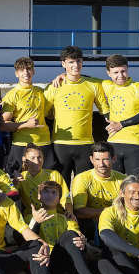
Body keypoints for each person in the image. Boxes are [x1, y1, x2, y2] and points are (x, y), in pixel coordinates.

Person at [29, 180, 119, 274]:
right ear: (39, 196)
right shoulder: (30, 217)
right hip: (46, 266)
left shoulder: (66, 218)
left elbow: (76, 237)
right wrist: (36, 222)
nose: (50, 195)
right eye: (45, 192)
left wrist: (82, 242)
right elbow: (28, 243)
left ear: (59, 198)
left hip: (66, 266)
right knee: (69, 234)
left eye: (53, 193)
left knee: (77, 239)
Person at [44, 46, 109, 182]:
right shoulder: (54, 86)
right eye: (71, 62)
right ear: (63, 64)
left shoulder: (94, 85)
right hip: (60, 143)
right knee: (61, 186)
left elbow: (106, 112)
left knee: (84, 186)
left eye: (79, 61)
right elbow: (41, 113)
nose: (76, 65)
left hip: (85, 144)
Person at [101, 54, 139, 180]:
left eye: (123, 71)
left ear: (127, 69)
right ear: (108, 73)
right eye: (116, 72)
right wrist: (63, 75)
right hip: (114, 143)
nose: (120, 75)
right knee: (113, 185)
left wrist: (121, 124)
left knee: (137, 184)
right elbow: (86, 80)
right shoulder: (106, 85)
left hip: (136, 144)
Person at [0, 57, 52, 177]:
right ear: (16, 73)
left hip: (44, 142)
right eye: (22, 70)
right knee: (20, 182)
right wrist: (26, 125)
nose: (26, 72)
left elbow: (49, 113)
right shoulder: (12, 95)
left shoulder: (40, 91)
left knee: (46, 181)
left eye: (29, 69)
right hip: (22, 144)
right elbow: (3, 125)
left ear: (33, 71)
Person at [71, 142, 126, 240]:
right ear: (91, 160)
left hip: (115, 222)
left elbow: (129, 208)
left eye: (105, 159)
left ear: (114, 159)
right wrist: (108, 211)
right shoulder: (82, 178)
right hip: (90, 223)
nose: (101, 164)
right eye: (97, 159)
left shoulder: (123, 180)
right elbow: (79, 211)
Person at [13, 143, 70, 223]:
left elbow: (66, 197)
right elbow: (10, 197)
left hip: (56, 215)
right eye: (32, 158)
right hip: (32, 217)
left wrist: (69, 212)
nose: (37, 161)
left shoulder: (54, 174)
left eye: (39, 157)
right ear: (24, 159)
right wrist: (14, 182)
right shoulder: (21, 178)